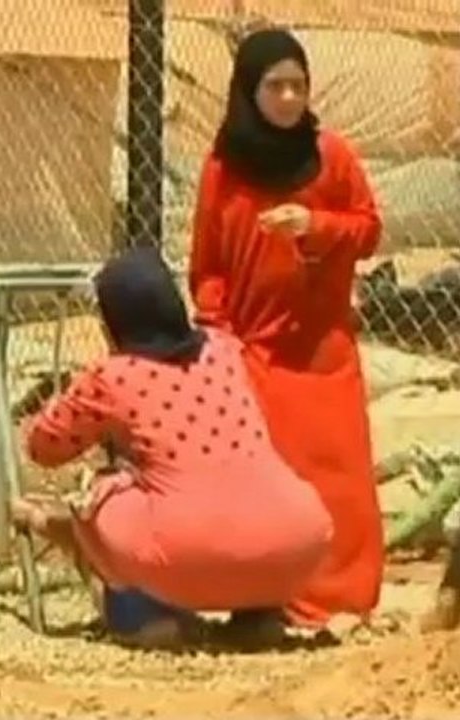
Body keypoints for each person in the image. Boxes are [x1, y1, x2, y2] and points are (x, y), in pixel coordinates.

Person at [14, 245, 333, 648]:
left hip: (189, 549)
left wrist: (74, 402)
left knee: (98, 495)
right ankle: (260, 615)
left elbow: (44, 447)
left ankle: (144, 620)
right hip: (298, 541)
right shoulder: (225, 349)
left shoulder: (114, 376)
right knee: (237, 490)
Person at [187, 28, 383, 631]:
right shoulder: (224, 165)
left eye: (299, 85)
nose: (290, 98)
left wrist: (315, 226)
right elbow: (208, 263)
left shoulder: (332, 155)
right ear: (250, 90)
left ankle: (346, 597)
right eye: (276, 86)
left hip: (322, 349)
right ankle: (276, 597)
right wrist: (219, 332)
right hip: (257, 351)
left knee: (341, 478)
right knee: (275, 477)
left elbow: (369, 229)